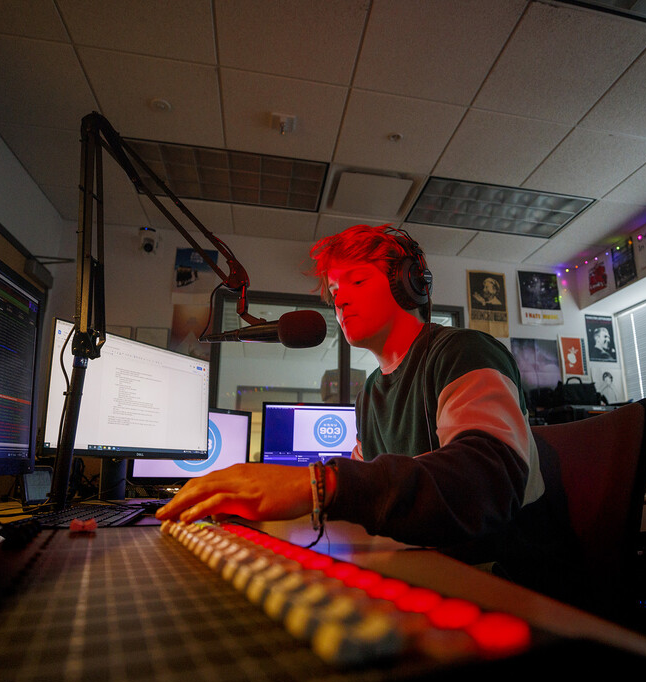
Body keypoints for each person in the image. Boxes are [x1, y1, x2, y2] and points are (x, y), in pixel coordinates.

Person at [156, 224, 584, 602]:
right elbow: (365, 484)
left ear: (407, 284)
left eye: (356, 281)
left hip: (510, 589)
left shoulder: (464, 352)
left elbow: (486, 480)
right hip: (435, 573)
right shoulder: (371, 393)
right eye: (335, 293)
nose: (340, 302)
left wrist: (317, 485)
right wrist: (267, 497)